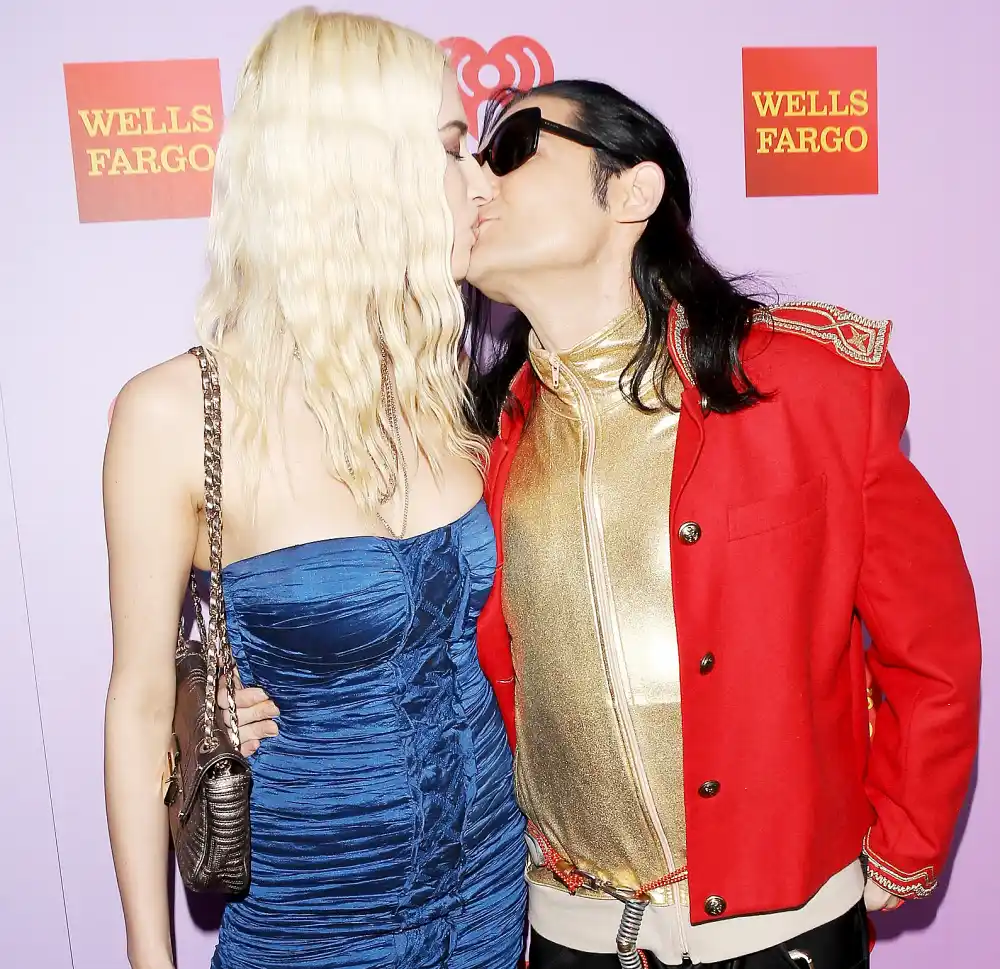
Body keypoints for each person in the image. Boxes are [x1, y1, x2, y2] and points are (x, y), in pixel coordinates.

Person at [232, 79, 981, 967]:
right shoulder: (468, 442)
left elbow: (930, 645)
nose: (476, 180)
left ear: (632, 191)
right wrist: (261, 709)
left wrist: (907, 834)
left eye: (511, 149)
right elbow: (401, 637)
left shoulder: (812, 386)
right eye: (465, 155)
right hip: (564, 931)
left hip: (783, 928)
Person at [102, 9, 526, 969]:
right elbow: (135, 702)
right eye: (454, 151)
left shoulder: (442, 381)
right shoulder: (174, 413)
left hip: (498, 895)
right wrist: (147, 956)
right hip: (315, 921)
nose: (480, 185)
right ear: (358, 174)